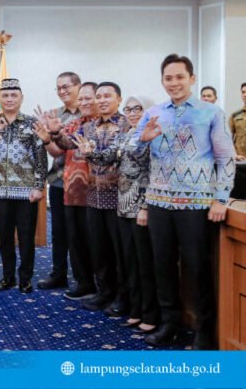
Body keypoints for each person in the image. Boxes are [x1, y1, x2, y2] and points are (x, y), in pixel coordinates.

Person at [133, 54, 235, 349]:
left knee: (197, 267)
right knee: (162, 266)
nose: (174, 83)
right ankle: (170, 324)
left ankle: (204, 331)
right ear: (162, 81)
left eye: (180, 77)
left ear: (192, 78)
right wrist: (142, 140)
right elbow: (134, 157)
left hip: (196, 205)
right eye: (168, 78)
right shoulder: (153, 113)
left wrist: (221, 199)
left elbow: (225, 158)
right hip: (158, 203)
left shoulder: (211, 112)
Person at [75, 96, 159, 335]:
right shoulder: (126, 135)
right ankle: (136, 309)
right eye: (129, 109)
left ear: (148, 111)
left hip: (141, 207)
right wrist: (89, 153)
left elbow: (155, 173)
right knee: (129, 261)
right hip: (123, 206)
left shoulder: (154, 136)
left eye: (138, 108)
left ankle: (150, 314)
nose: (132, 113)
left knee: (144, 263)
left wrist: (145, 207)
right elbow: (107, 157)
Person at [58, 82, 130, 316]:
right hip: (93, 198)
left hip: (118, 199)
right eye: (99, 96)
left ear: (119, 99)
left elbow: (114, 156)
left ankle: (123, 296)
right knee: (99, 250)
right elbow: (68, 144)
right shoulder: (88, 127)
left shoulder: (126, 125)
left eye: (107, 96)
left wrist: (91, 154)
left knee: (120, 252)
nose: (102, 100)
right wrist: (54, 133)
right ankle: (104, 292)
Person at [0, 78, 47, 293]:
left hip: (27, 192)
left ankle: (25, 278)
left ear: (21, 98)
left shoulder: (31, 123)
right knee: (5, 238)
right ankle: (8, 276)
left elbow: (41, 156)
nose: (9, 99)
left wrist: (39, 186)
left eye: (13, 95)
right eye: (5, 95)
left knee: (26, 237)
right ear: (0, 98)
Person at [37, 82, 98, 301]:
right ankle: (80, 281)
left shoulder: (108, 124)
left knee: (95, 239)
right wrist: (51, 134)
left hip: (99, 189)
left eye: (88, 98)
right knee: (70, 235)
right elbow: (62, 147)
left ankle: (101, 285)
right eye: (82, 99)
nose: (84, 102)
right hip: (68, 186)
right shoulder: (73, 123)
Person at [37, 72, 82, 290]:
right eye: (59, 88)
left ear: (78, 86)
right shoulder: (55, 114)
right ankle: (59, 274)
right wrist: (47, 137)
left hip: (83, 184)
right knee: (59, 231)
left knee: (80, 233)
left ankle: (84, 278)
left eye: (66, 87)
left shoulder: (89, 112)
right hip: (58, 180)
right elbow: (56, 152)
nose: (62, 91)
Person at [230, 82, 246, 199]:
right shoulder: (235, 115)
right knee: (239, 196)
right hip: (241, 162)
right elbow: (228, 138)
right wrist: (233, 154)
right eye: (243, 92)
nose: (245, 94)